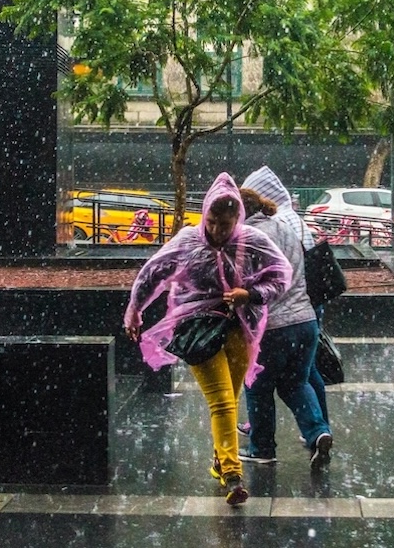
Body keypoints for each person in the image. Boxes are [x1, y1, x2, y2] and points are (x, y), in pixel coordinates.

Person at [123, 173, 291, 506]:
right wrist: (134, 310)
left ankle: (219, 459)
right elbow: (151, 273)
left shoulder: (252, 240)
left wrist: (251, 293)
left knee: (231, 394)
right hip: (197, 331)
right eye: (212, 222)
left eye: (224, 224)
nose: (216, 230)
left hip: (240, 329)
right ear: (204, 215)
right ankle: (232, 473)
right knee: (222, 402)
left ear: (237, 219)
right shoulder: (187, 240)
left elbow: (281, 274)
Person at [236, 188, 332, 470]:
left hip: (272, 325)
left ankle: (262, 447)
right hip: (305, 321)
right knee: (295, 383)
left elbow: (243, 282)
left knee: (257, 387)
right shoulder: (284, 228)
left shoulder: (246, 238)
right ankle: (317, 432)